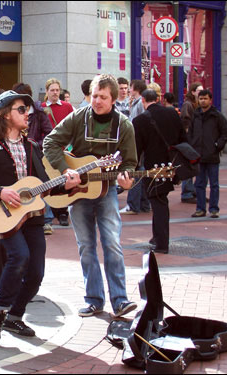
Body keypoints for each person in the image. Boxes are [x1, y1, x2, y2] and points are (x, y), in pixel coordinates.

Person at [0, 90, 78, 347]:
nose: (28, 113)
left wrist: (70, 184)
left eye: (28, 109)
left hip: (32, 217)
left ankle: (15, 315)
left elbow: (44, 185)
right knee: (19, 257)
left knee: (36, 273)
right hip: (2, 217)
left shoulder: (32, 146)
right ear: (4, 115)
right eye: (21, 109)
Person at [44, 74, 138, 318]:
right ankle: (94, 299)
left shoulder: (124, 125)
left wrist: (126, 179)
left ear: (114, 99)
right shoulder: (78, 117)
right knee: (86, 247)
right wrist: (66, 170)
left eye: (103, 97)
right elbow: (50, 143)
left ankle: (120, 300)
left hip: (106, 191)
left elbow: (129, 162)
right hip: (77, 193)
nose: (96, 101)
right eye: (94, 96)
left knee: (112, 245)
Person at [133, 89, 187, 254]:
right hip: (172, 165)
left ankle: (162, 243)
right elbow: (183, 139)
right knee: (159, 201)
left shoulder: (140, 120)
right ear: (158, 99)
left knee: (159, 203)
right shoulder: (172, 114)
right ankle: (157, 237)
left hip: (153, 169)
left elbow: (136, 149)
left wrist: (132, 170)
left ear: (143, 100)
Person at [12, 82, 55, 234]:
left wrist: (37, 144)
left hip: (35, 152)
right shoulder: (15, 111)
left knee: (40, 183)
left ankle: (47, 219)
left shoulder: (38, 112)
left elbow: (49, 132)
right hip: (19, 151)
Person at [188, 89, 227, 219]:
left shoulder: (217, 116)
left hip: (212, 155)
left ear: (210, 100)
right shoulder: (195, 115)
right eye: (201, 99)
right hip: (198, 155)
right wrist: (191, 146)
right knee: (199, 184)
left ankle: (214, 209)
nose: (203, 101)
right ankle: (200, 209)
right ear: (198, 100)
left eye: (205, 98)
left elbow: (226, 133)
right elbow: (190, 133)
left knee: (214, 184)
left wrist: (217, 145)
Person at [41, 78, 74, 227]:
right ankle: (51, 209)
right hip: (46, 150)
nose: (55, 93)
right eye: (52, 90)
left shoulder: (67, 107)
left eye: (57, 90)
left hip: (64, 150)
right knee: (49, 179)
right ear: (47, 91)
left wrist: (71, 147)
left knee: (64, 178)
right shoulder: (41, 108)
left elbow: (74, 127)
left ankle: (62, 212)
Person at [120, 79, 150, 215]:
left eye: (130, 87)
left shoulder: (139, 104)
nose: (128, 90)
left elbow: (134, 123)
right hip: (139, 142)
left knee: (136, 171)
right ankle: (144, 203)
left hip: (136, 142)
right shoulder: (137, 103)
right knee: (141, 171)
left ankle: (133, 205)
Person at [180, 82, 203, 204]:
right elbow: (185, 120)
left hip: (195, 140)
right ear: (193, 92)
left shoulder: (197, 105)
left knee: (195, 166)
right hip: (189, 141)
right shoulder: (188, 104)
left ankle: (192, 190)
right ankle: (187, 192)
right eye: (199, 91)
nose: (201, 93)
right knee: (189, 165)